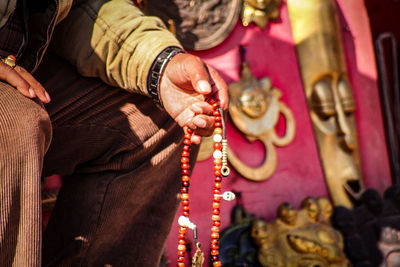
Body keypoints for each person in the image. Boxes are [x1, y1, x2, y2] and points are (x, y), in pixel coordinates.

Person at [0, 0, 228, 266]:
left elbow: (84, 8)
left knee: (160, 116)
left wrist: (160, 65)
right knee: (15, 123)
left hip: (24, 67)